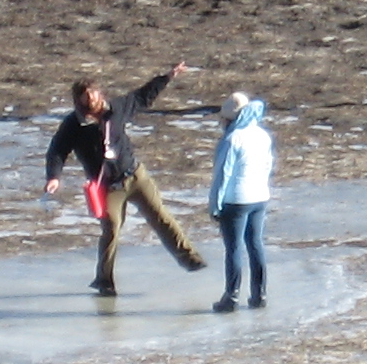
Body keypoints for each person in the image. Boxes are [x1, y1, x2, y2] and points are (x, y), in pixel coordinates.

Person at [43, 64, 209, 296]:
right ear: (78, 100)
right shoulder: (73, 125)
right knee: (111, 230)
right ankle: (104, 280)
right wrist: (53, 176)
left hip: (136, 176)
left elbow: (142, 97)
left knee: (161, 217)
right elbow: (57, 151)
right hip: (107, 188)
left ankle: (189, 259)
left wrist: (167, 77)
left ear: (100, 93)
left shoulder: (116, 109)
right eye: (86, 97)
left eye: (94, 94)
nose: (92, 99)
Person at [207, 92, 273, 313]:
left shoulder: (232, 139)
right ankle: (259, 295)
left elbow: (222, 174)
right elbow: (268, 165)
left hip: (236, 200)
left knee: (234, 248)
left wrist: (215, 205)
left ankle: (231, 297)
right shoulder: (263, 135)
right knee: (255, 244)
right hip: (260, 197)